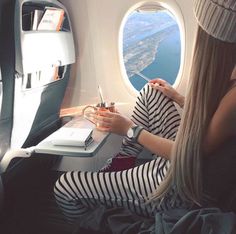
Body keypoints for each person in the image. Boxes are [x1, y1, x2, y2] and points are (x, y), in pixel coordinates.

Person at [54, 0, 236, 226]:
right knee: (152, 90)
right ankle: (123, 163)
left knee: (65, 187)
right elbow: (213, 125)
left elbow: (187, 156)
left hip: (180, 185)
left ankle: (96, 225)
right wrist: (179, 98)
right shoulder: (230, 73)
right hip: (184, 159)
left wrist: (131, 130)